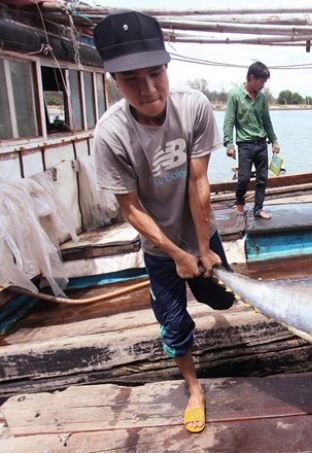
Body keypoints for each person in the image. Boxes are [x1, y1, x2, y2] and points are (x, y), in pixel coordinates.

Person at [92, 11, 236, 434]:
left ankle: (198, 279)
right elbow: (131, 208)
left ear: (167, 68)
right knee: (176, 325)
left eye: (156, 74)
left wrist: (203, 246)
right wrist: (174, 253)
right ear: (113, 81)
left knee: (222, 300)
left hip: (201, 235)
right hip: (159, 249)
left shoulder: (193, 107)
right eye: (132, 79)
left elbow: (198, 181)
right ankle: (193, 387)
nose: (149, 89)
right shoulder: (111, 135)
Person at [223, 61, 280, 219]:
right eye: (261, 82)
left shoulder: (262, 98)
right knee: (244, 178)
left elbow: (266, 121)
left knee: (263, 178)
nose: (263, 86)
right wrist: (229, 144)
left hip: (261, 143)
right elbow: (229, 121)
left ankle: (258, 208)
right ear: (252, 78)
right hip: (245, 145)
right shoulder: (235, 95)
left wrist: (274, 140)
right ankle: (239, 202)